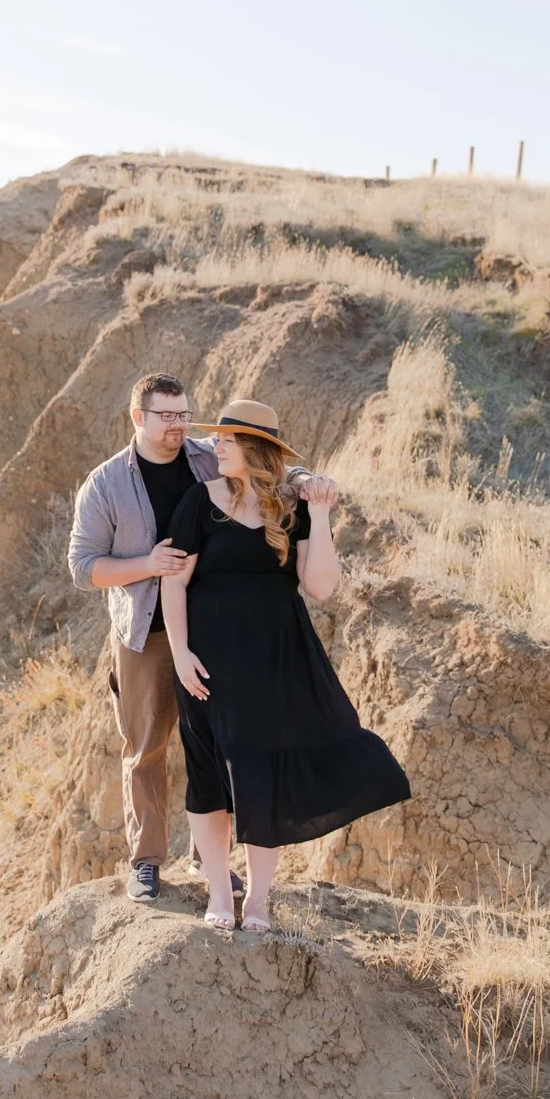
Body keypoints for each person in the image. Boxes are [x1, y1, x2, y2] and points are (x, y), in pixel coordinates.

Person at [161, 399, 411, 932]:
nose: (216, 447)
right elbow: (174, 581)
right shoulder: (199, 501)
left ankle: (258, 899)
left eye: (226, 441)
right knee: (208, 774)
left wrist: (319, 516)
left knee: (261, 775)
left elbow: (320, 586)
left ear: (253, 449)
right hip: (206, 660)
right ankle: (219, 893)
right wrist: (180, 653)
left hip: (275, 660)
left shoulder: (291, 508)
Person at [67, 374, 309, 905]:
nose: (178, 426)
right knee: (147, 749)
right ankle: (148, 861)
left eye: (182, 415)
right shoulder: (105, 484)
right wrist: (146, 565)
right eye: (165, 416)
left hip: (217, 632)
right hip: (146, 635)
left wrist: (308, 477)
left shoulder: (208, 457)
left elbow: (269, 464)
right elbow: (83, 567)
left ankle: (211, 859)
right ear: (138, 418)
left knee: (220, 746)